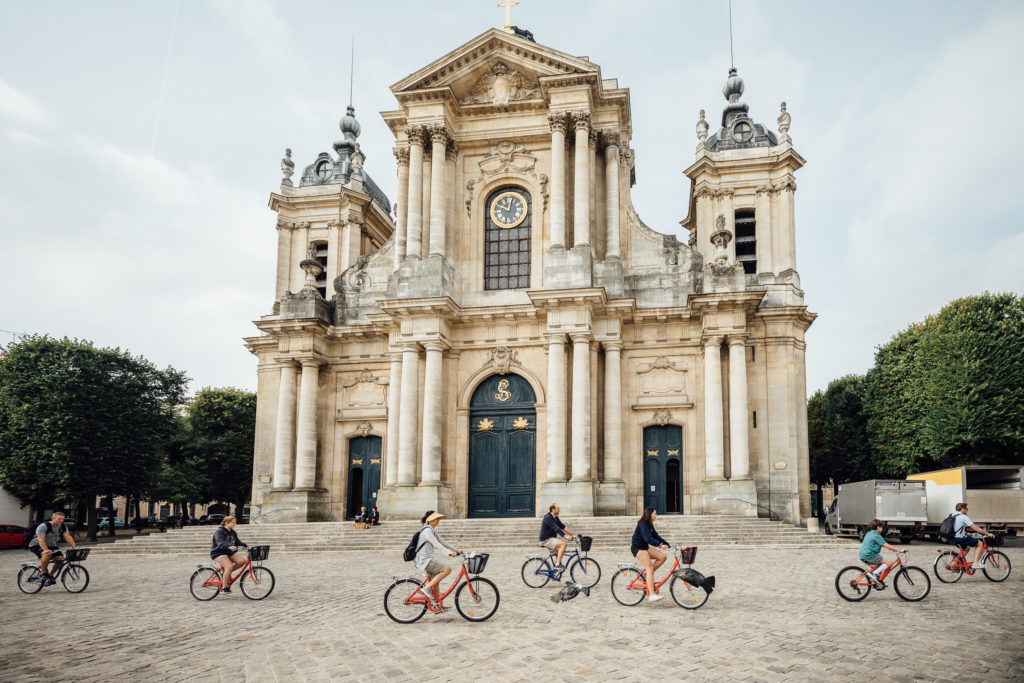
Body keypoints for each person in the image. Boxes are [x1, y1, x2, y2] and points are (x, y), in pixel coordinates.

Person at [415, 511, 461, 610]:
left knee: (436, 582)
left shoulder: (431, 530)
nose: (438, 520)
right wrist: (449, 553)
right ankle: (426, 589)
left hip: (427, 559)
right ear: (430, 520)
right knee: (447, 569)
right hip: (425, 560)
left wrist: (455, 550)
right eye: (436, 519)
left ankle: (436, 605)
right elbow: (437, 544)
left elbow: (442, 542)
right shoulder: (427, 531)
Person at [631, 506, 670, 602]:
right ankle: (651, 595)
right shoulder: (642, 524)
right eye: (655, 513)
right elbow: (647, 538)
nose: (656, 515)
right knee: (650, 569)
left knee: (662, 557)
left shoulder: (649, 525)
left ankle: (647, 575)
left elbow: (656, 536)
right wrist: (660, 545)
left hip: (645, 547)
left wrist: (667, 544)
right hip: (638, 548)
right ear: (650, 514)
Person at [27, 511, 77, 586]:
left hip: (52, 545)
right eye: (59, 519)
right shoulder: (43, 526)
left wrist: (74, 547)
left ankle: (50, 576)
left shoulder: (62, 526)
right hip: (36, 544)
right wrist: (46, 550)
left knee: (61, 559)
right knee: (47, 554)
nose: (61, 521)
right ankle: (42, 573)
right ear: (53, 518)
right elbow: (41, 540)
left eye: (62, 519)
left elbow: (68, 536)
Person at [858, 519, 904, 587]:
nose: (882, 528)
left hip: (863, 554)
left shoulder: (869, 533)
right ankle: (873, 574)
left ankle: (877, 579)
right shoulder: (876, 535)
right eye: (881, 527)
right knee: (889, 563)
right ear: (878, 527)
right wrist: (899, 550)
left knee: (881, 565)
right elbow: (887, 546)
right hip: (870, 555)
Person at [210, 515, 248, 593]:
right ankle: (224, 587)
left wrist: (246, 545)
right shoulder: (219, 531)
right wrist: (229, 546)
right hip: (218, 552)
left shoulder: (233, 532)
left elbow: (238, 542)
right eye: (233, 523)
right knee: (229, 566)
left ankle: (226, 573)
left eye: (235, 523)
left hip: (229, 552)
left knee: (242, 561)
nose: (234, 524)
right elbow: (220, 543)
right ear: (227, 523)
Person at [952, 502, 994, 569]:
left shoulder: (951, 515)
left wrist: (965, 533)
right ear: (962, 509)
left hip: (951, 537)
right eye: (966, 509)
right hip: (959, 538)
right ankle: (975, 564)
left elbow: (955, 527)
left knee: (967, 548)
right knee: (980, 543)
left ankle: (956, 565)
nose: (967, 510)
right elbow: (975, 528)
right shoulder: (963, 517)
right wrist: (987, 534)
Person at [538, 503, 575, 570]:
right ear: (553, 510)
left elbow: (562, 526)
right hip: (546, 540)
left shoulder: (555, 518)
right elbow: (556, 528)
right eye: (558, 509)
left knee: (558, 556)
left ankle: (553, 573)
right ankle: (557, 564)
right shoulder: (548, 518)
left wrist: (571, 534)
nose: (559, 510)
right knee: (563, 544)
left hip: (551, 539)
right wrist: (565, 536)